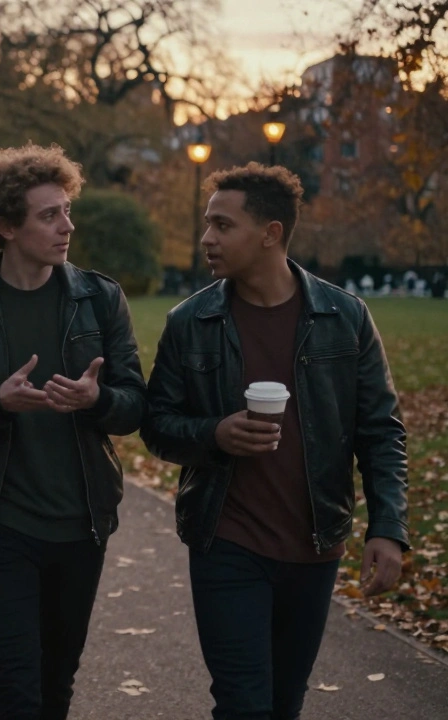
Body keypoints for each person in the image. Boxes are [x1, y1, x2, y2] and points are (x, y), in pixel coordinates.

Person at [141, 163, 407, 720]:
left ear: (271, 233)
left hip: (315, 543)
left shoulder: (344, 317)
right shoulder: (190, 321)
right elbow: (157, 425)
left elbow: (380, 430)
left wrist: (387, 528)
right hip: (226, 541)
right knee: (242, 703)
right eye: (207, 225)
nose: (207, 239)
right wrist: (216, 433)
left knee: (285, 702)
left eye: (222, 225)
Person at [0, 145, 146, 720]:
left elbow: (134, 408)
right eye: (49, 215)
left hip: (81, 523)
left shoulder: (99, 298)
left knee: (55, 685)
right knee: (14, 690)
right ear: (7, 226)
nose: (67, 226)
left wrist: (98, 399)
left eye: (66, 210)